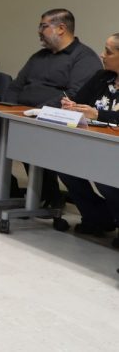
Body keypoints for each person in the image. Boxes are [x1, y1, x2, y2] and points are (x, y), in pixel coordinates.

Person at [1, 8, 100, 205]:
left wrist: (36, 112)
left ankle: (49, 196)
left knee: (29, 133)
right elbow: (16, 85)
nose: (39, 31)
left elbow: (74, 95)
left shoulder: (84, 58)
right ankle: (5, 189)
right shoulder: (39, 56)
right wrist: (8, 109)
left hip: (52, 118)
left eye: (43, 26)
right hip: (22, 114)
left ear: (61, 28)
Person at [56, 33, 119, 235]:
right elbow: (81, 102)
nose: (102, 55)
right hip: (93, 143)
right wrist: (72, 106)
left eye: (108, 51)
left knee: (105, 176)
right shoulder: (102, 77)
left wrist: (98, 114)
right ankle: (97, 217)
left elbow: (95, 112)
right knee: (64, 165)